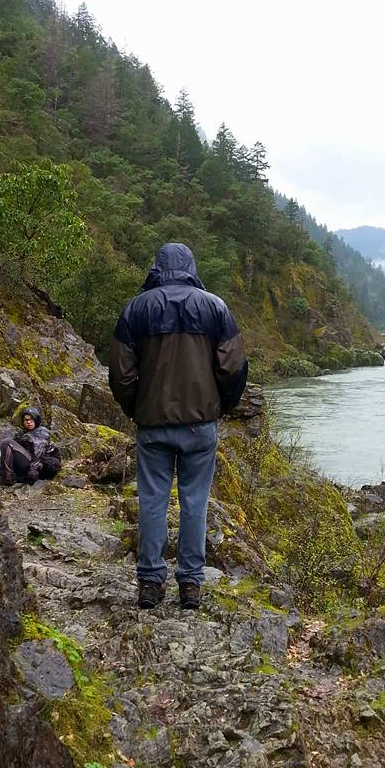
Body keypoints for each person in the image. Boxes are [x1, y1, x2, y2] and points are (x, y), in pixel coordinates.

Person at [109, 242, 248, 610]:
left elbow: (121, 374)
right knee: (194, 502)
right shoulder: (215, 307)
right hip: (200, 426)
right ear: (191, 266)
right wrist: (221, 407)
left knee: (152, 501)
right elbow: (233, 367)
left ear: (157, 267)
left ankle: (150, 583)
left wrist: (137, 408)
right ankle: (190, 584)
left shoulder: (136, 309)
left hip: (152, 424)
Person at [0, 406, 61, 486]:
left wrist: (33, 470)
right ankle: (17, 477)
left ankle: (8, 480)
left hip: (43, 467)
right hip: (30, 464)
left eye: (31, 419)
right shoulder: (22, 435)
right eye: (26, 420)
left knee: (7, 443)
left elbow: (38, 452)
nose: (29, 422)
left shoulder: (42, 432)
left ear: (36, 419)